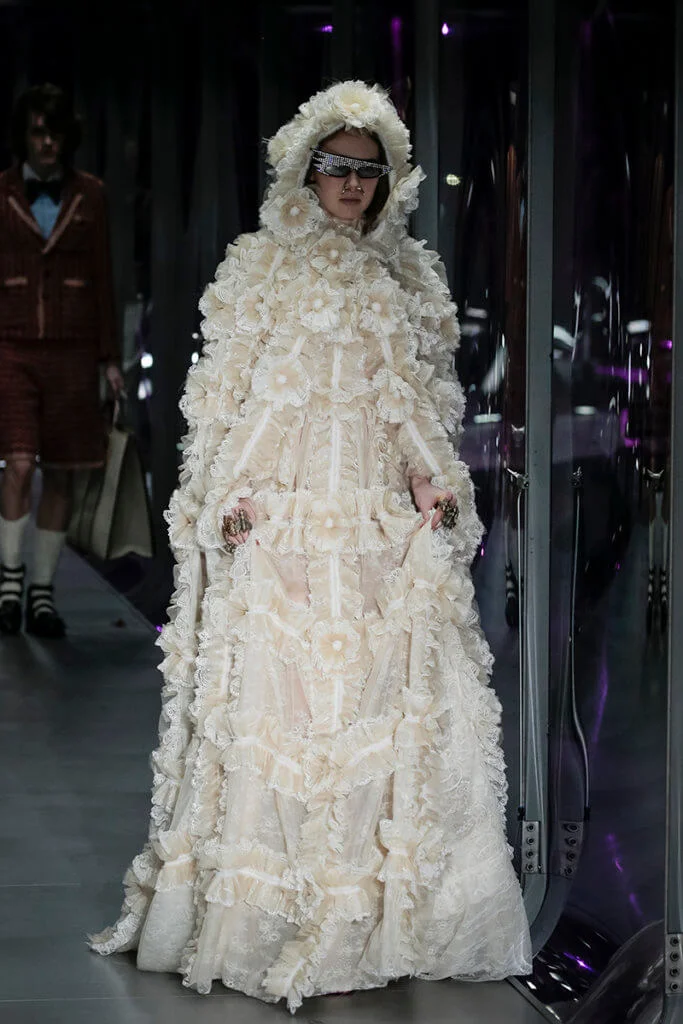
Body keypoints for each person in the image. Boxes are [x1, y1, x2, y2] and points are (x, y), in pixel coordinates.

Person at [89, 81, 532, 1012]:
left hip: (371, 533)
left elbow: (409, 401)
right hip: (285, 526)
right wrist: (234, 496)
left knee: (374, 713)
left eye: (369, 171)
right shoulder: (261, 270)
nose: (352, 185)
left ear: (388, 180)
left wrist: (427, 480)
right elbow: (236, 400)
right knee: (286, 714)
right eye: (336, 167)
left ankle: (374, 913)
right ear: (306, 169)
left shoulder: (405, 280)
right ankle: (275, 913)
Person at [0, 83, 124, 639]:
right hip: (12, 343)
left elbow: (102, 275)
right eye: (37, 133)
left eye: (54, 133)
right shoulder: (2, 192)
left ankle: (42, 594)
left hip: (73, 350)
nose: (46, 143)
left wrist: (109, 358)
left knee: (62, 470)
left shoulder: (89, 194)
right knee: (18, 464)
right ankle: (10, 584)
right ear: (24, 136)